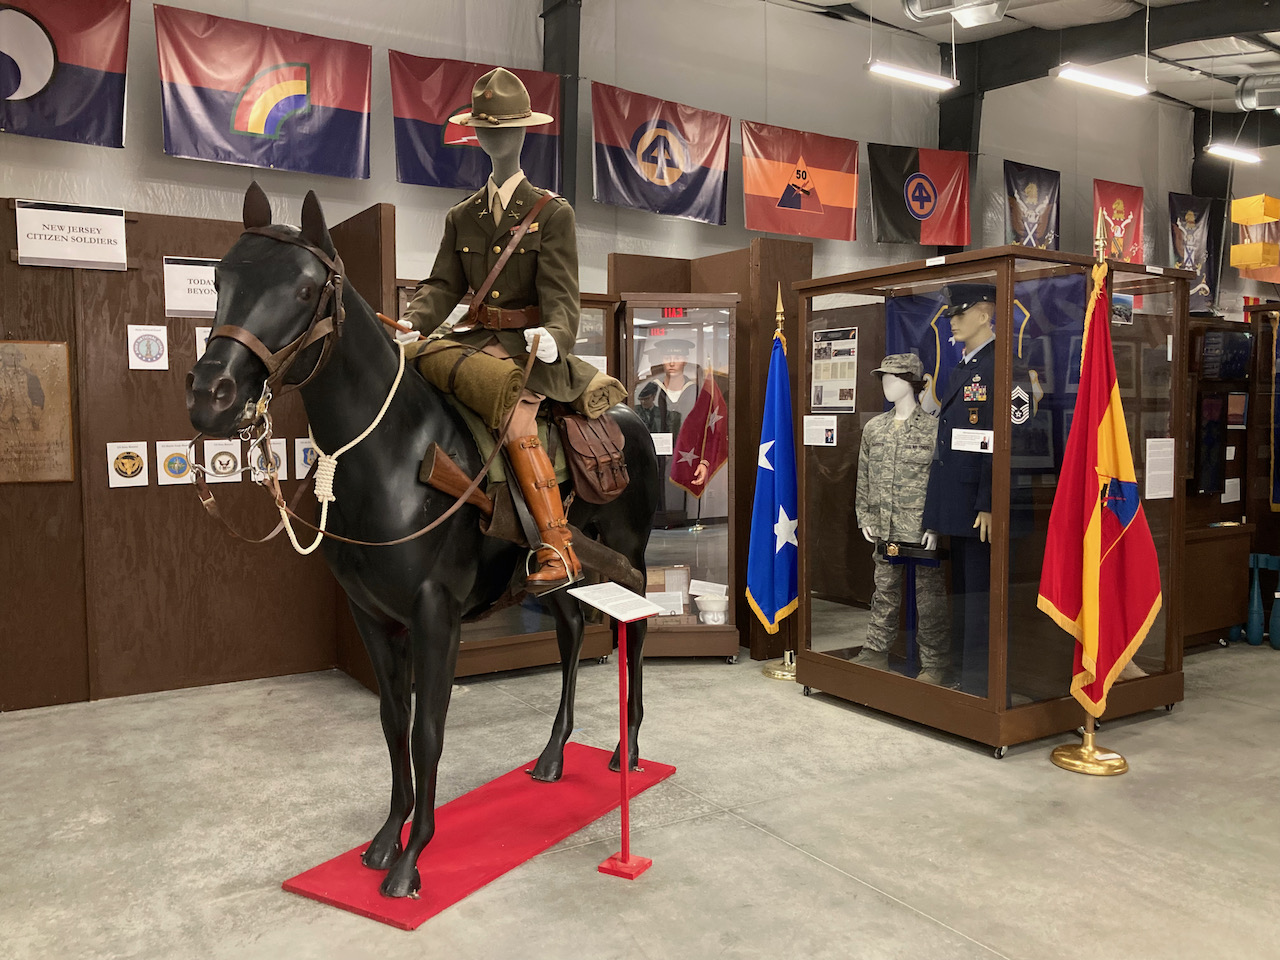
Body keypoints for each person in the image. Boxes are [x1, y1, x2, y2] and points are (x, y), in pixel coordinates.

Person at [401, 67, 598, 592]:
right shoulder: (462, 215)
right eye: (487, 129)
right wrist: (412, 320)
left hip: (529, 347)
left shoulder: (551, 214)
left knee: (514, 420)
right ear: (478, 135)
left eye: (507, 129)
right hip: (474, 338)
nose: (496, 138)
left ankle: (558, 547)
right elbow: (443, 285)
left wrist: (555, 335)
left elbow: (562, 294)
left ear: (523, 133)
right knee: (416, 384)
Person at [853, 353, 948, 684]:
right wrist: (865, 514)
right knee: (884, 592)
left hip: (920, 530)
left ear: (911, 383)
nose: (886, 384)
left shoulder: (934, 430)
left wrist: (936, 524)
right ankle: (875, 652)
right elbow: (864, 475)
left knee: (930, 599)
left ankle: (934, 663)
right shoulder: (874, 428)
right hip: (884, 527)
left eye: (893, 378)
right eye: (883, 377)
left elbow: (940, 483)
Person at [923, 284, 996, 696]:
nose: (952, 320)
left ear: (985, 315)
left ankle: (979, 681)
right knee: (965, 594)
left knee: (981, 596)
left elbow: (999, 442)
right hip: (957, 499)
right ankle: (966, 676)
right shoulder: (962, 368)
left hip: (978, 504)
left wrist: (988, 503)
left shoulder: (1001, 366)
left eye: (960, 313)